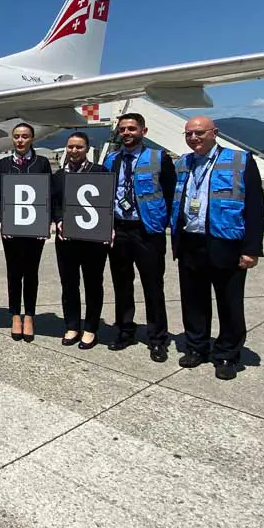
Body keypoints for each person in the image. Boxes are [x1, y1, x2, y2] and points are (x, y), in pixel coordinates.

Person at [171, 115, 264, 380]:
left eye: (199, 133)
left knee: (230, 302)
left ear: (215, 133)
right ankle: (197, 347)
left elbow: (255, 208)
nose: (193, 138)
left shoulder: (240, 161)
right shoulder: (183, 163)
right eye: (189, 134)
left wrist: (252, 249)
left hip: (226, 242)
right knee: (193, 300)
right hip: (191, 242)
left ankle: (226, 353)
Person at [103, 112, 177, 362]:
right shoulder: (111, 160)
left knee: (153, 286)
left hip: (147, 230)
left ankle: (158, 338)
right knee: (121, 283)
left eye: (132, 129)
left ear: (143, 131)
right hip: (119, 228)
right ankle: (125, 330)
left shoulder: (159, 158)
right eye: (123, 129)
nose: (126, 133)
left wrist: (161, 223)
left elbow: (169, 194)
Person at [0, 122, 53, 342]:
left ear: (32, 139)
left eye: (25, 136)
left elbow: (48, 193)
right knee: (14, 272)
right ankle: (15, 314)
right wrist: (1, 219)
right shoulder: (4, 164)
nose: (20, 140)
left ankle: (30, 315)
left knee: (31, 273)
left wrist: (47, 222)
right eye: (17, 136)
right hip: (11, 229)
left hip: (34, 229)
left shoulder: (42, 163)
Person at [50, 131, 110, 349]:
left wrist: (106, 228)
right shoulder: (59, 176)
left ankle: (91, 328)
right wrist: (58, 220)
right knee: (69, 284)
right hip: (66, 239)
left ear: (87, 149)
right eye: (71, 147)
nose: (74, 151)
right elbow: (54, 204)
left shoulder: (100, 172)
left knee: (93, 284)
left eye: (79, 147)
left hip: (93, 239)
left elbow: (106, 203)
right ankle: (72, 325)